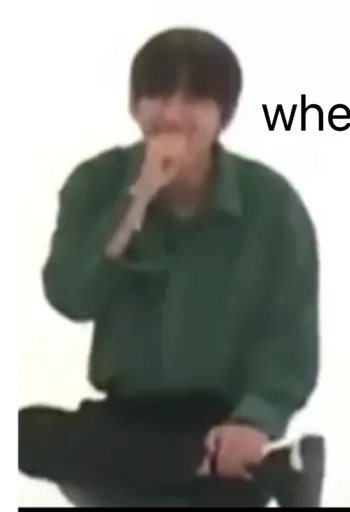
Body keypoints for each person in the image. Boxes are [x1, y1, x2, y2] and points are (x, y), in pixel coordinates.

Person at [16, 27, 322, 507]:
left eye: (195, 99)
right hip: (126, 419)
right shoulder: (96, 183)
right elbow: (72, 297)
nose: (173, 114)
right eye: (158, 95)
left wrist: (254, 420)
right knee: (27, 432)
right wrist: (135, 200)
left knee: (225, 493)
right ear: (134, 105)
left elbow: (288, 337)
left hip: (222, 420)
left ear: (224, 115)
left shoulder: (272, 205)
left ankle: (224, 463)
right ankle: (247, 468)